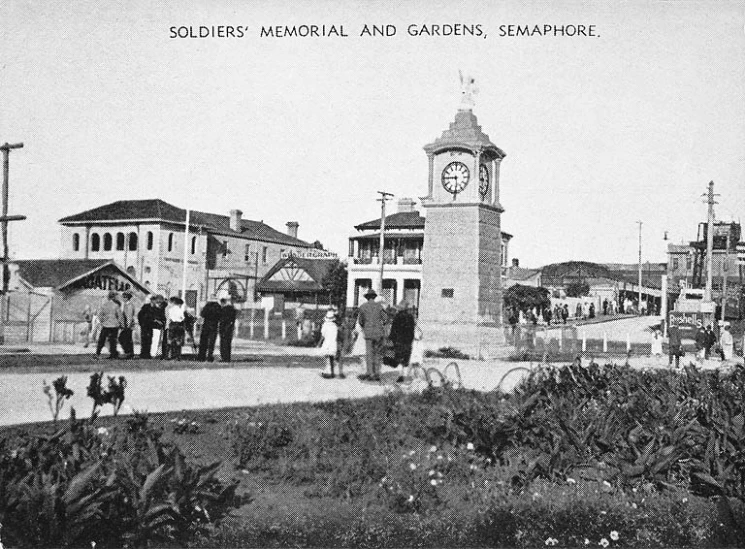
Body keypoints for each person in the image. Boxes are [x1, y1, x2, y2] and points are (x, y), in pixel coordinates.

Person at [357, 289, 387, 382]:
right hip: (378, 332)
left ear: (367, 298)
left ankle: (370, 373)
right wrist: (380, 324)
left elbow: (360, 321)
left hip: (368, 333)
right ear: (374, 297)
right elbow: (385, 319)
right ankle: (377, 373)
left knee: (369, 354)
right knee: (377, 354)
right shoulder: (379, 306)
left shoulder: (363, 307)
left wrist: (365, 326)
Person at [390, 300, 416, 383]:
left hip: (399, 341)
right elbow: (412, 330)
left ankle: (400, 376)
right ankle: (404, 375)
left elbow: (393, 330)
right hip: (408, 341)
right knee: (406, 359)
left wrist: (392, 339)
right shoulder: (411, 317)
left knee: (399, 358)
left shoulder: (397, 317)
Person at [95, 291, 121, 359]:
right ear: (114, 297)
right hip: (114, 325)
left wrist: (102, 321)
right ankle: (113, 355)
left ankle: (97, 353)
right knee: (113, 341)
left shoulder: (104, 305)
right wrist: (119, 323)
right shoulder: (116, 305)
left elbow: (100, 315)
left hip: (106, 325)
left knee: (101, 340)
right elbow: (120, 316)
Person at [197, 296, 222, 361]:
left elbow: (202, 314)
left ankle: (201, 356)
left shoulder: (207, 306)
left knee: (203, 341)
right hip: (214, 326)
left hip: (206, 325)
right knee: (211, 342)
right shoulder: (218, 307)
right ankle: (209, 356)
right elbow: (220, 317)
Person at [319, 309, 339, 378]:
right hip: (333, 343)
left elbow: (323, 335)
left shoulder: (325, 325)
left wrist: (319, 343)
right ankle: (331, 371)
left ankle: (328, 372)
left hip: (327, 343)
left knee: (327, 358)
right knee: (331, 358)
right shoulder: (335, 326)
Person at [118, 291, 136, 358]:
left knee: (124, 339)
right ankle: (129, 353)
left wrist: (127, 326)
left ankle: (129, 353)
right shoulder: (125, 305)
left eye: (123, 297)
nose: (122, 298)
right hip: (125, 325)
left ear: (126, 298)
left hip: (128, 325)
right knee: (126, 339)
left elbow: (129, 316)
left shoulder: (129, 305)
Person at [218, 296, 237, 362]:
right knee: (228, 343)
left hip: (223, 328)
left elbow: (221, 319)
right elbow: (233, 319)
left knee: (223, 343)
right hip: (230, 328)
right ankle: (227, 358)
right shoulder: (233, 309)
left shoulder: (223, 309)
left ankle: (224, 357)